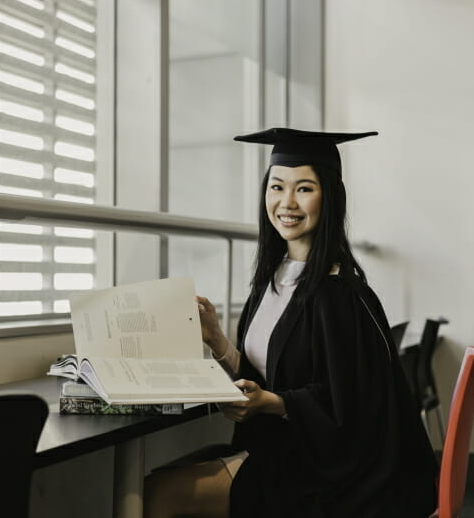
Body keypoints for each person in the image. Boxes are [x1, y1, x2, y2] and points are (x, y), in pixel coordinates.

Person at [143, 128, 437, 518]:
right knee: (160, 483)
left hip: (327, 474)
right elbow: (267, 375)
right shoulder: (274, 279)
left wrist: (270, 403)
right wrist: (216, 340)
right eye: (277, 187)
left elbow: (348, 408)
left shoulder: (338, 293)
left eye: (304, 189)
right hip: (283, 449)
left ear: (329, 197)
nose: (286, 202)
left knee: (160, 493)